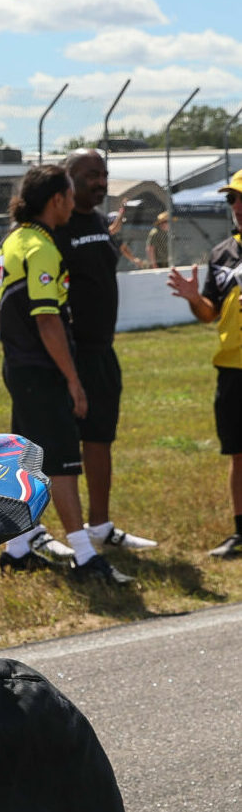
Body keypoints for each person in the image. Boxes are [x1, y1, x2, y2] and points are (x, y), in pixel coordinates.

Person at [0, 166, 132, 584]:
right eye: (67, 196)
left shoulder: (14, 241)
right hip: (43, 371)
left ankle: (18, 549)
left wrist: (13, 337)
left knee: (30, 459)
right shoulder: (43, 248)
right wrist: (73, 380)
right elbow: (48, 321)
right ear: (57, 200)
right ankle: (84, 556)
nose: (70, 205)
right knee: (62, 462)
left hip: (21, 366)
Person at [53, 150, 157, 551]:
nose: (100, 182)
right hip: (69, 355)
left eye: (104, 175)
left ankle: (100, 526)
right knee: (58, 447)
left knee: (100, 439)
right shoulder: (52, 228)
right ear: (68, 178)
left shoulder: (97, 221)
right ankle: (36, 537)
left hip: (102, 353)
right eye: (90, 175)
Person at [166, 169, 242, 558]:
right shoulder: (222, 253)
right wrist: (195, 298)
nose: (237, 207)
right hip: (232, 368)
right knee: (237, 452)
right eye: (232, 200)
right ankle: (241, 532)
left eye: (241, 198)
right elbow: (209, 314)